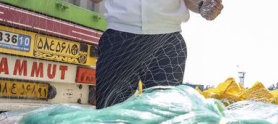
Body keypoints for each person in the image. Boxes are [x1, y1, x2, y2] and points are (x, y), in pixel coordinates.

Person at [90, 0, 224, 109]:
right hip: (120, 37)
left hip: (167, 44)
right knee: (109, 115)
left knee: (162, 119)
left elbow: (192, 2)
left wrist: (203, 5)